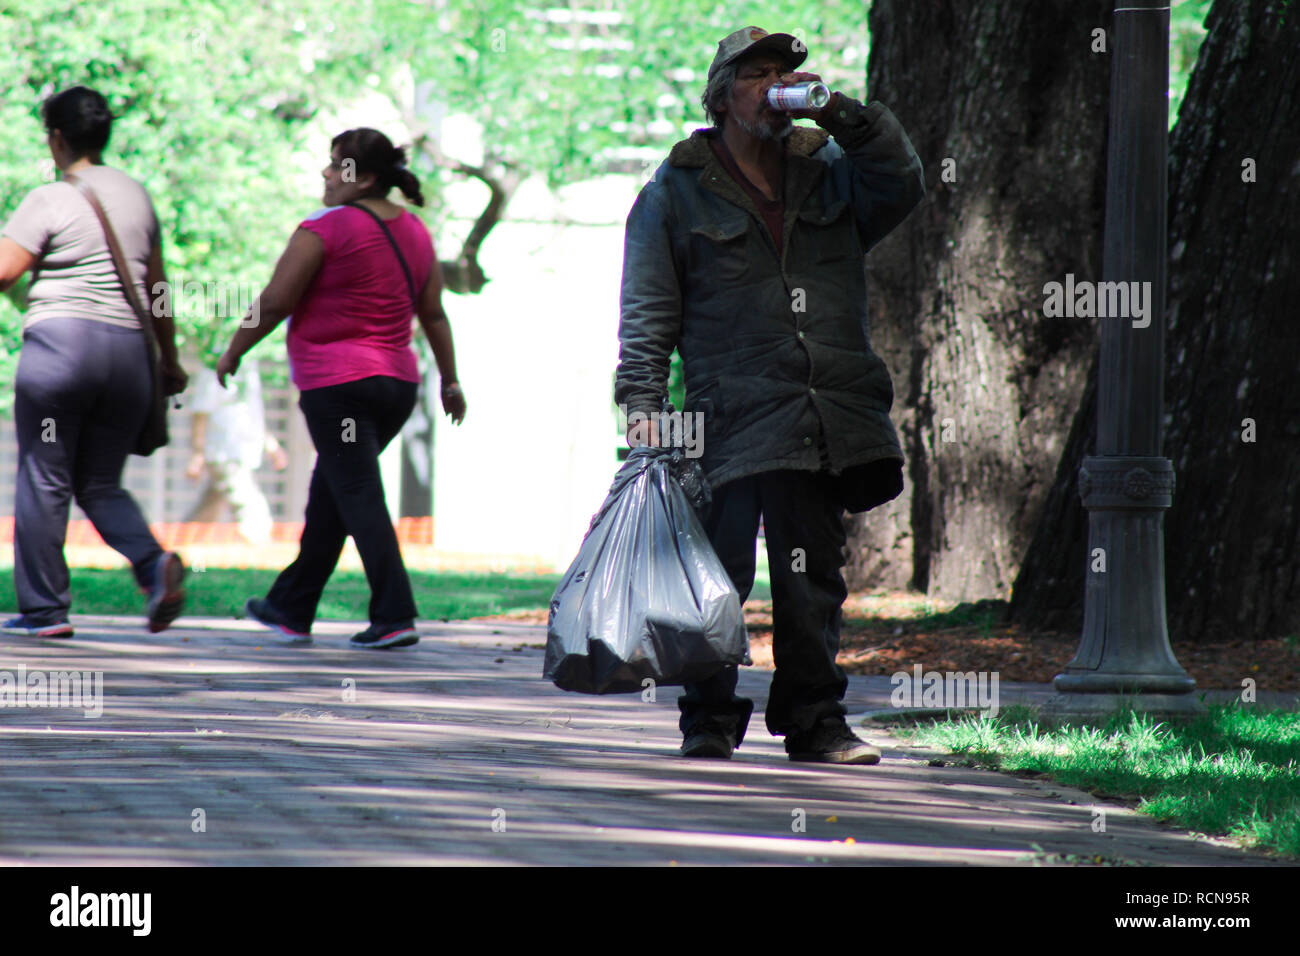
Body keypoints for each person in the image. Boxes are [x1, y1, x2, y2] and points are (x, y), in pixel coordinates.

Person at [615, 28, 925, 763]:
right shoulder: (673, 192)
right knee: (715, 573)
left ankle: (816, 723)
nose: (774, 85)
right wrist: (644, 407)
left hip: (816, 411)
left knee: (810, 577)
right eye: (756, 75)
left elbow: (904, 180)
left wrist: (842, 113)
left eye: (784, 73)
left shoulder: (832, 174)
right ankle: (709, 716)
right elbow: (648, 312)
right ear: (722, 96)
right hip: (721, 416)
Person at [217, 128, 465, 649]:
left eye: (337, 166)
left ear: (366, 177)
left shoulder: (324, 229)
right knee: (330, 494)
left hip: (340, 386)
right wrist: (450, 379)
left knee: (355, 493)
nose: (327, 174)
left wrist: (236, 347)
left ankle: (395, 614)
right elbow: (434, 314)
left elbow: (278, 298)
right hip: (396, 385)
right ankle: (291, 606)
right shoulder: (417, 232)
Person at [0, 86, 188, 639]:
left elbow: (4, 271)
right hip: (129, 358)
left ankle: (45, 610)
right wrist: (170, 358)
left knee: (44, 478)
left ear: (57, 138)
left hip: (62, 354)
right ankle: (153, 565)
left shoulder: (50, 198)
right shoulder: (137, 195)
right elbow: (157, 289)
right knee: (101, 482)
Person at [185, 360, 288, 546]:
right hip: (224, 452)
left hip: (241, 451)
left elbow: (251, 417)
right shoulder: (213, 369)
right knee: (248, 502)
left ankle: (182, 542)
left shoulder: (249, 369)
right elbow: (200, 414)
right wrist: (197, 455)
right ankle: (260, 547)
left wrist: (272, 446)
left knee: (211, 505)